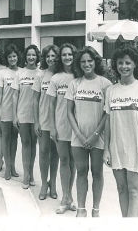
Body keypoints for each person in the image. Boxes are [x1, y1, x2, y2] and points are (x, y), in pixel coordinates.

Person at [103, 45, 138, 217]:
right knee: (121, 189)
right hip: (116, 147)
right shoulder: (111, 90)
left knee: (134, 190)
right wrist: (106, 150)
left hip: (136, 147)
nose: (123, 66)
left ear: (135, 65)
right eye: (120, 63)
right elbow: (108, 121)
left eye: (128, 63)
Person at [66, 46, 112, 218]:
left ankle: (96, 209)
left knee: (97, 172)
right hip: (78, 137)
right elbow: (69, 112)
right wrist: (79, 134)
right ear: (79, 63)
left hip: (98, 137)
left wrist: (94, 135)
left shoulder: (105, 84)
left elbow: (107, 112)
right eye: (83, 61)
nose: (86, 64)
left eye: (90, 61)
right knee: (81, 171)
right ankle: (81, 209)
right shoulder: (75, 83)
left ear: (96, 62)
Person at [47, 43, 77, 214]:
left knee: (73, 161)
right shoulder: (56, 78)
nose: (67, 58)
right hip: (60, 125)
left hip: (76, 127)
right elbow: (51, 106)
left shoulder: (79, 76)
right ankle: (65, 197)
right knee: (64, 160)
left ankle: (69, 197)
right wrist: (52, 126)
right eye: (64, 55)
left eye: (70, 54)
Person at [33, 45, 60, 201]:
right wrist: (36, 122)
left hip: (59, 121)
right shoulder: (40, 75)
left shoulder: (63, 75)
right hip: (43, 120)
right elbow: (35, 100)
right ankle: (44, 183)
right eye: (48, 56)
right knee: (43, 152)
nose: (51, 59)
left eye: (53, 56)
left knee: (56, 153)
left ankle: (53, 183)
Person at [12, 45, 40, 189]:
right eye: (29, 55)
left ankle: (31, 174)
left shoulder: (41, 73)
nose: (31, 57)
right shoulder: (20, 73)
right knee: (25, 144)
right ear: (25, 56)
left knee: (33, 144)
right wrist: (15, 115)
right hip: (22, 114)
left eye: (33, 55)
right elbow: (15, 96)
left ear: (37, 56)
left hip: (36, 115)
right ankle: (26, 176)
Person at [0, 44, 21, 180]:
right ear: (7, 58)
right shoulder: (2, 73)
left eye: (14, 56)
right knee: (6, 138)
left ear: (18, 57)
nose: (12, 59)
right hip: (5, 109)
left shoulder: (21, 72)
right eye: (10, 56)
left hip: (18, 111)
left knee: (14, 138)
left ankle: (13, 167)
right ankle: (7, 168)